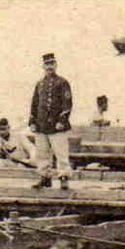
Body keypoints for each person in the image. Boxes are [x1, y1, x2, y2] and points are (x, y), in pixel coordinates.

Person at [28, 52, 73, 189]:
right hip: (41, 125)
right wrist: (32, 122)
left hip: (57, 126)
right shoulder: (39, 84)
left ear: (56, 65)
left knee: (61, 153)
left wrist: (62, 120)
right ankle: (45, 177)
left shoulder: (63, 82)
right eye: (47, 64)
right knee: (42, 154)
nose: (49, 67)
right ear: (43, 66)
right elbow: (34, 104)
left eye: (52, 63)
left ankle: (63, 177)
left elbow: (67, 103)